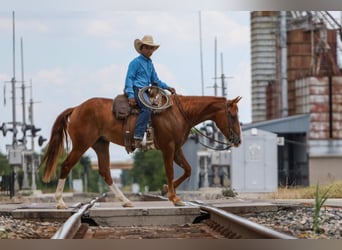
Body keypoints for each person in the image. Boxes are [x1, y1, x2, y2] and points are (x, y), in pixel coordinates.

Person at [124, 35, 175, 148]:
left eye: (151, 48)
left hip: (146, 91)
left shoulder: (150, 64)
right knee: (147, 108)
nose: (149, 50)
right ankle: (137, 136)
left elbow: (155, 80)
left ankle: (152, 137)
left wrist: (167, 87)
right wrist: (130, 94)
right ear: (141, 49)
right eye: (146, 48)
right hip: (138, 90)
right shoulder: (135, 62)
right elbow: (129, 78)